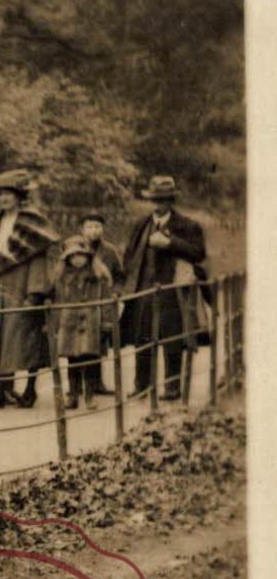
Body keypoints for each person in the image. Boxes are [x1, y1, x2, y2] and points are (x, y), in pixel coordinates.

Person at [0, 169, 60, 409]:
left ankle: (29, 391)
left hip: (20, 283)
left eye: (9, 194)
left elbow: (39, 259)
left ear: (19, 196)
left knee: (22, 337)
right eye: (0, 194)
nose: (4, 199)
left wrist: (35, 291)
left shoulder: (33, 222)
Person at [119, 175, 208, 402]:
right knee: (142, 338)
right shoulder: (141, 225)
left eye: (164, 200)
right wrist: (128, 283)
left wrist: (171, 244)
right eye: (155, 200)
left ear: (171, 202)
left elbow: (199, 253)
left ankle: (171, 387)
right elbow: (129, 255)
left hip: (173, 290)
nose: (159, 205)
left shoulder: (188, 225)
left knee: (172, 338)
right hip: (143, 291)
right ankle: (141, 386)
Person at [49, 236, 115, 410]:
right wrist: (54, 326)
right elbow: (57, 302)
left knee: (91, 361)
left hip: (92, 321)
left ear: (88, 256)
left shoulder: (98, 276)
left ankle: (90, 396)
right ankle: (72, 395)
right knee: (72, 362)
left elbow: (107, 300)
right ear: (67, 258)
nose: (77, 259)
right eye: (73, 256)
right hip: (69, 322)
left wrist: (107, 322)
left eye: (81, 255)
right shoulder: (61, 277)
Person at [74, 214, 122, 395]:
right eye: (89, 227)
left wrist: (116, 292)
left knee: (98, 342)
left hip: (102, 301)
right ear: (82, 229)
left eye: (97, 227)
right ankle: (76, 386)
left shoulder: (110, 251)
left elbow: (119, 275)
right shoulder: (74, 249)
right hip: (79, 301)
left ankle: (96, 383)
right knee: (77, 344)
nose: (94, 231)